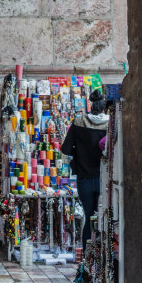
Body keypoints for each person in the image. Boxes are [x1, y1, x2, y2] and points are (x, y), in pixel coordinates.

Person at [61, 88, 109, 246]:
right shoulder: (110, 124)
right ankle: (102, 256)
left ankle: (88, 257)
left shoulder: (79, 122)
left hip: (84, 179)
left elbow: (66, 149)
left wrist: (80, 153)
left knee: (89, 216)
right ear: (103, 106)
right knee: (103, 216)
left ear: (91, 104)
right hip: (103, 178)